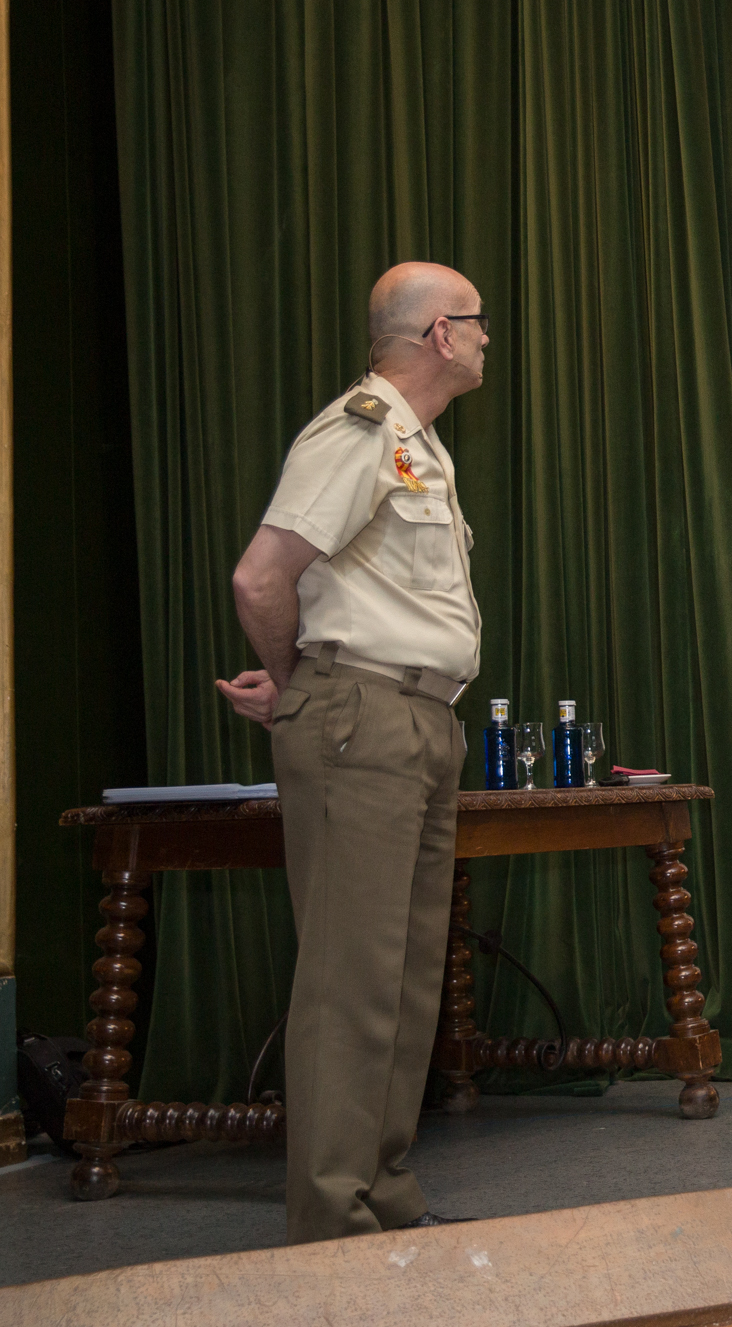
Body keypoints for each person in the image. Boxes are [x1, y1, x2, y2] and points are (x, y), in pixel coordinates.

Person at [215, 262, 488, 1242]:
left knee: (407, 978)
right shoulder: (360, 428)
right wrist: (297, 688)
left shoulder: (418, 446)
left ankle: (384, 1190)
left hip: (419, 719)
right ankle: (333, 1222)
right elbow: (261, 577)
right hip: (362, 718)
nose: (489, 336)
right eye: (476, 320)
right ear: (437, 337)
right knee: (350, 978)